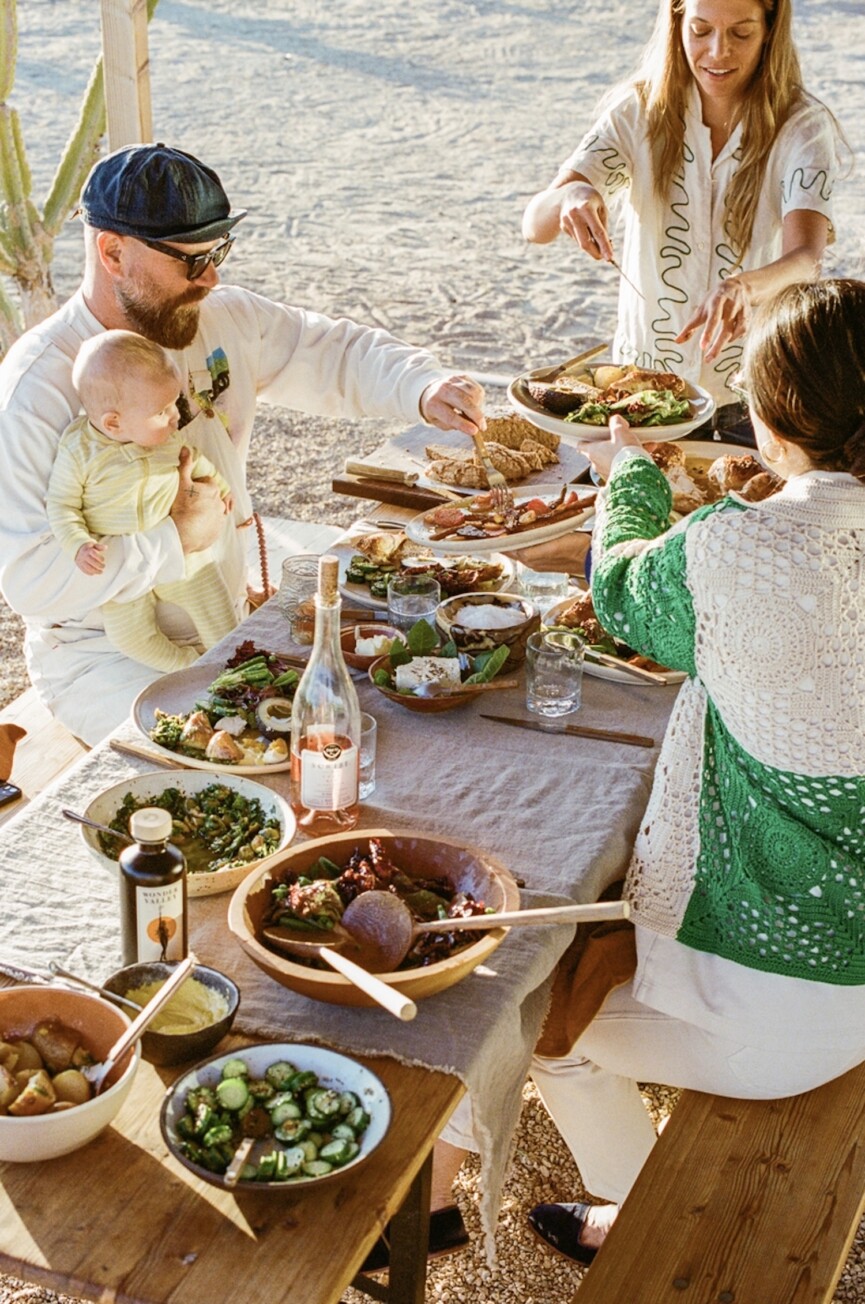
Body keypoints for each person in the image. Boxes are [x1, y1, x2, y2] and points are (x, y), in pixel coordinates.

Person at [526, 277, 865, 1263]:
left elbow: (622, 591)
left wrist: (626, 470)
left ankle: (636, 1223)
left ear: (768, 421)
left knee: (539, 1024)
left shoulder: (739, 549)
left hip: (796, 1014)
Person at [0, 143, 486, 744]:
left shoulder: (218, 317)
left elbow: (330, 349)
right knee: (233, 756)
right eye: (192, 260)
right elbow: (28, 578)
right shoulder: (37, 385)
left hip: (224, 625)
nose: (212, 277)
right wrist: (174, 539)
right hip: (104, 658)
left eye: (218, 252)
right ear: (113, 252)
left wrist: (422, 385)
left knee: (381, 720)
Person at [521, 0, 845, 439]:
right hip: (641, 388)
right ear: (676, 22)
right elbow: (534, 226)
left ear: (771, 29)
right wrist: (570, 195)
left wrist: (742, 286)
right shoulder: (637, 110)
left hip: (754, 394)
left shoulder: (801, 125)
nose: (717, 52)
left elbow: (806, 258)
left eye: (741, 33)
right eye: (700, 30)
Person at [47, 330, 239, 673]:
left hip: (187, 560)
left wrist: (221, 491)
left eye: (174, 404)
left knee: (219, 615)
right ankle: (191, 668)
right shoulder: (78, 452)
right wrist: (78, 544)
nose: (176, 417)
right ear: (113, 423)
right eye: (163, 411)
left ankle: (235, 669)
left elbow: (197, 463)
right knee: (129, 636)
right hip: (125, 571)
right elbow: (62, 507)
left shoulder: (166, 440)